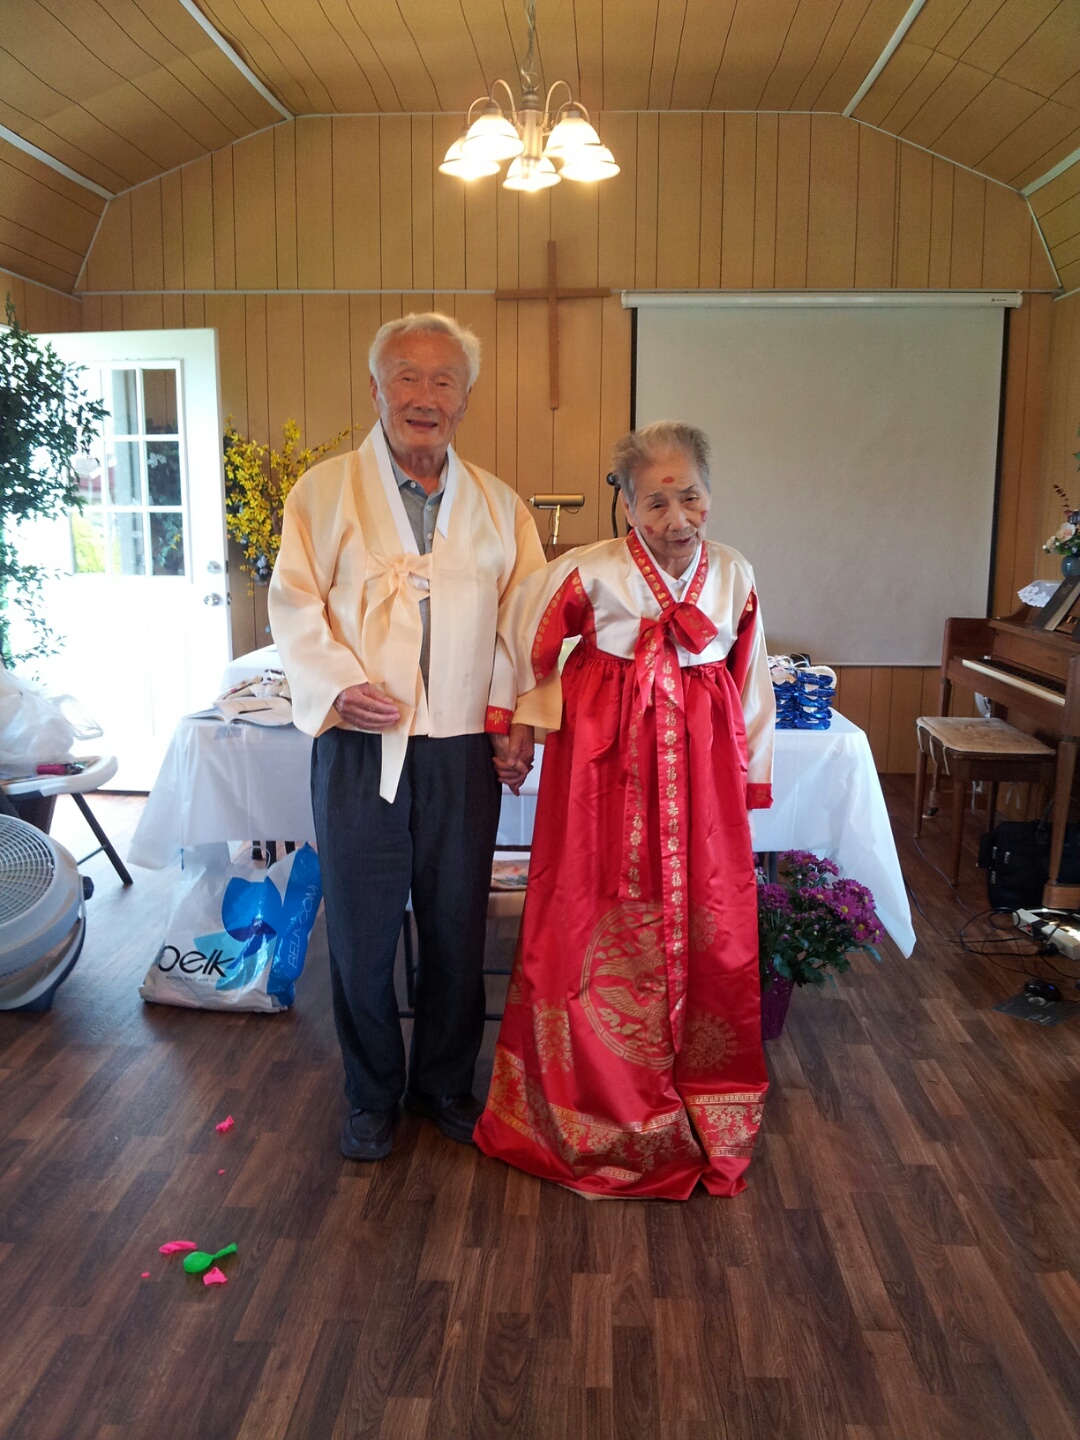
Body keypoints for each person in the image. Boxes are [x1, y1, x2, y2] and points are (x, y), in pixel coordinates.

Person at [474, 420, 775, 1199]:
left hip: (703, 773)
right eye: (656, 503)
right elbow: (524, 636)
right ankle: (594, 1108)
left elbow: (752, 681)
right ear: (628, 506)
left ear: (710, 494)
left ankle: (703, 1104)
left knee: (710, 919)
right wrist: (517, 724)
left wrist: (751, 780)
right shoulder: (591, 571)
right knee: (587, 914)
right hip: (603, 773)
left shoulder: (734, 573)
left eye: (691, 498)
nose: (677, 519)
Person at [268, 313, 544, 1161]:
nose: (425, 396)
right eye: (407, 377)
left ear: (466, 398)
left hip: (461, 748)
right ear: (376, 389)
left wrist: (515, 718)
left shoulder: (499, 506)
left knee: (458, 927)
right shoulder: (323, 493)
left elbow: (525, 621)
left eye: (444, 380)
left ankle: (443, 1086)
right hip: (359, 746)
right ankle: (372, 1092)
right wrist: (335, 685)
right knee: (361, 932)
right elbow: (294, 603)